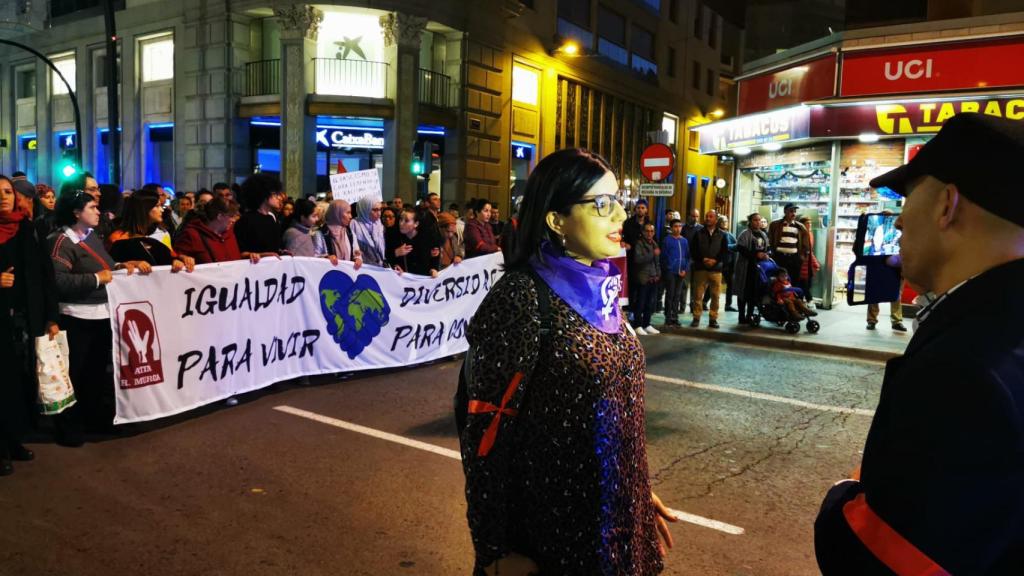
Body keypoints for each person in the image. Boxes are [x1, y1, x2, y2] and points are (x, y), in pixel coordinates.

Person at [814, 113, 1024, 574]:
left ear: (946, 205)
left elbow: (884, 557)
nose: (900, 220)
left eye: (906, 199)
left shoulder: (965, 369)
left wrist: (844, 494)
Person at [461, 148, 676, 575]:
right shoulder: (522, 297)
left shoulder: (604, 290)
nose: (621, 218)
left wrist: (634, 488)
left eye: (619, 202)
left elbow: (619, 413)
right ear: (556, 219)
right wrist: (495, 551)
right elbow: (485, 431)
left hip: (620, 523)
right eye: (602, 205)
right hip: (556, 537)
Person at [49, 191, 153, 438]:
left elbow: (104, 265)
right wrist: (96, 279)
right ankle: (68, 428)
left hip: (100, 314)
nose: (98, 211)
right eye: (92, 207)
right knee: (75, 374)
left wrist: (120, 267)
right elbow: (58, 281)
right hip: (76, 317)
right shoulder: (60, 242)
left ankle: (93, 419)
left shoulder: (91, 236)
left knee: (95, 373)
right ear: (76, 213)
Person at [0, 175, 60, 475]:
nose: (4, 197)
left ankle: (14, 439)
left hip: (25, 318)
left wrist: (51, 316)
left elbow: (44, 274)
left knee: (21, 381)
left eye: (8, 192)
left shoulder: (27, 228)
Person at [106, 194, 195, 272]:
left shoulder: (161, 233)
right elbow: (108, 266)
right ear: (144, 209)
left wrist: (180, 259)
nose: (162, 210)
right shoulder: (117, 238)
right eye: (157, 206)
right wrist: (125, 265)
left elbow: (169, 256)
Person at [174, 197, 261, 264]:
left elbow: (235, 260)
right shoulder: (192, 234)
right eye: (231, 216)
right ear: (219, 216)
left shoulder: (230, 233)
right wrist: (182, 259)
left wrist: (249, 256)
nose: (234, 220)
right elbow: (175, 258)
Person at [690, 210, 729, 329]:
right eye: (706, 216)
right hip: (701, 268)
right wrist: (703, 259)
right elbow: (693, 250)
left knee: (715, 296)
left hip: (716, 270)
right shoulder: (698, 233)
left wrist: (715, 261)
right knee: (697, 295)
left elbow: (724, 252)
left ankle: (713, 319)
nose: (707, 218)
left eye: (710, 217)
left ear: (716, 220)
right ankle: (696, 318)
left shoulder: (722, 235)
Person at [234, 173, 286, 258]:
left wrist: (282, 251)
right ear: (264, 195)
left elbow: (274, 247)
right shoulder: (245, 221)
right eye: (275, 194)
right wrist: (260, 255)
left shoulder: (271, 219)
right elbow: (239, 252)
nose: (279, 198)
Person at [734, 214, 770, 325]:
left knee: (753, 294)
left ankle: (749, 315)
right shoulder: (744, 234)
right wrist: (755, 255)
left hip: (759, 268)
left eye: (759, 220)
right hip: (746, 268)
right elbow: (741, 248)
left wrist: (766, 254)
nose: (758, 222)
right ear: (750, 221)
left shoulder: (763, 234)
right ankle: (741, 316)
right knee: (743, 292)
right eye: (755, 220)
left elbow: (768, 248)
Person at [768, 204, 810, 293]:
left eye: (795, 211)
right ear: (785, 212)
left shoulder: (800, 227)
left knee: (794, 279)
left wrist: (802, 256)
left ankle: (792, 299)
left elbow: (805, 244)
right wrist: (772, 253)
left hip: (794, 258)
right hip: (780, 257)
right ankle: (779, 300)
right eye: (791, 211)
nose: (793, 213)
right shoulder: (775, 225)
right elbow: (770, 240)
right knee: (779, 280)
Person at [630, 223, 661, 335]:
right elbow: (638, 259)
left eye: (651, 231)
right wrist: (653, 253)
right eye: (647, 231)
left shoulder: (654, 243)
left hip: (653, 278)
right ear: (643, 232)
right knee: (640, 303)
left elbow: (657, 262)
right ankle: (637, 325)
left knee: (650, 303)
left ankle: (647, 324)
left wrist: (658, 274)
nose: (649, 233)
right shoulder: (639, 244)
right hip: (643, 278)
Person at [387, 207, 438, 276]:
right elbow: (386, 258)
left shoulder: (427, 239)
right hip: (402, 281)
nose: (401, 223)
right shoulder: (394, 237)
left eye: (406, 221)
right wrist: (395, 253)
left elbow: (434, 258)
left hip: (422, 281)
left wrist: (433, 269)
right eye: (401, 219)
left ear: (416, 224)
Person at [660, 219, 690, 327]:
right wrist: (669, 268)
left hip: (681, 273)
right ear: (671, 228)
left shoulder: (684, 241)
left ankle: (675, 317)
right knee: (670, 294)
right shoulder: (667, 240)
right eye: (675, 226)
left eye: (680, 226)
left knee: (677, 295)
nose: (678, 228)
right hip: (671, 272)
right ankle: (668, 317)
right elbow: (664, 257)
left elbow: (687, 257)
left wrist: (684, 270)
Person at [320, 200, 363, 269]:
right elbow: (314, 257)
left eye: (350, 213)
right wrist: (326, 258)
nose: (351, 216)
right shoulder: (322, 233)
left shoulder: (349, 232)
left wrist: (358, 259)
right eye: (348, 213)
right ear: (336, 213)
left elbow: (356, 252)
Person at [350, 197, 387, 267]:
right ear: (365, 209)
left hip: (379, 266)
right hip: (363, 267)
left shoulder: (379, 225)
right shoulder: (354, 224)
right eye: (375, 210)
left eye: (380, 209)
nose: (379, 213)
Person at [797, 215, 819, 307]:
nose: (809, 225)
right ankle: (807, 300)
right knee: (803, 283)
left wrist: (813, 261)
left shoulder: (809, 233)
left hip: (808, 260)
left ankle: (803, 302)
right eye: (807, 223)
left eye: (810, 223)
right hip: (803, 261)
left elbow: (810, 250)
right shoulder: (800, 233)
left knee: (808, 282)